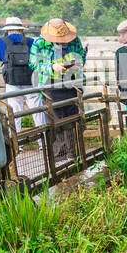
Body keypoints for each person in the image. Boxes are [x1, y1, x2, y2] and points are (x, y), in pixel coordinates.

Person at [29, 18, 86, 163]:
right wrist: (52, 67)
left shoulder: (75, 40)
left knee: (73, 119)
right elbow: (34, 64)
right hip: (50, 85)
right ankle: (59, 158)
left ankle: (74, 154)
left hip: (71, 83)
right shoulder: (39, 43)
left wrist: (77, 64)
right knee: (55, 121)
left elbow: (82, 57)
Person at [0, 16, 34, 133]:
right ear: (21, 30)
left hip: (12, 81)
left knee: (14, 111)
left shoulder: (0, 42)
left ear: (7, 30)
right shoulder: (30, 41)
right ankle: (44, 142)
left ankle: (16, 144)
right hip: (31, 80)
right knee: (38, 111)